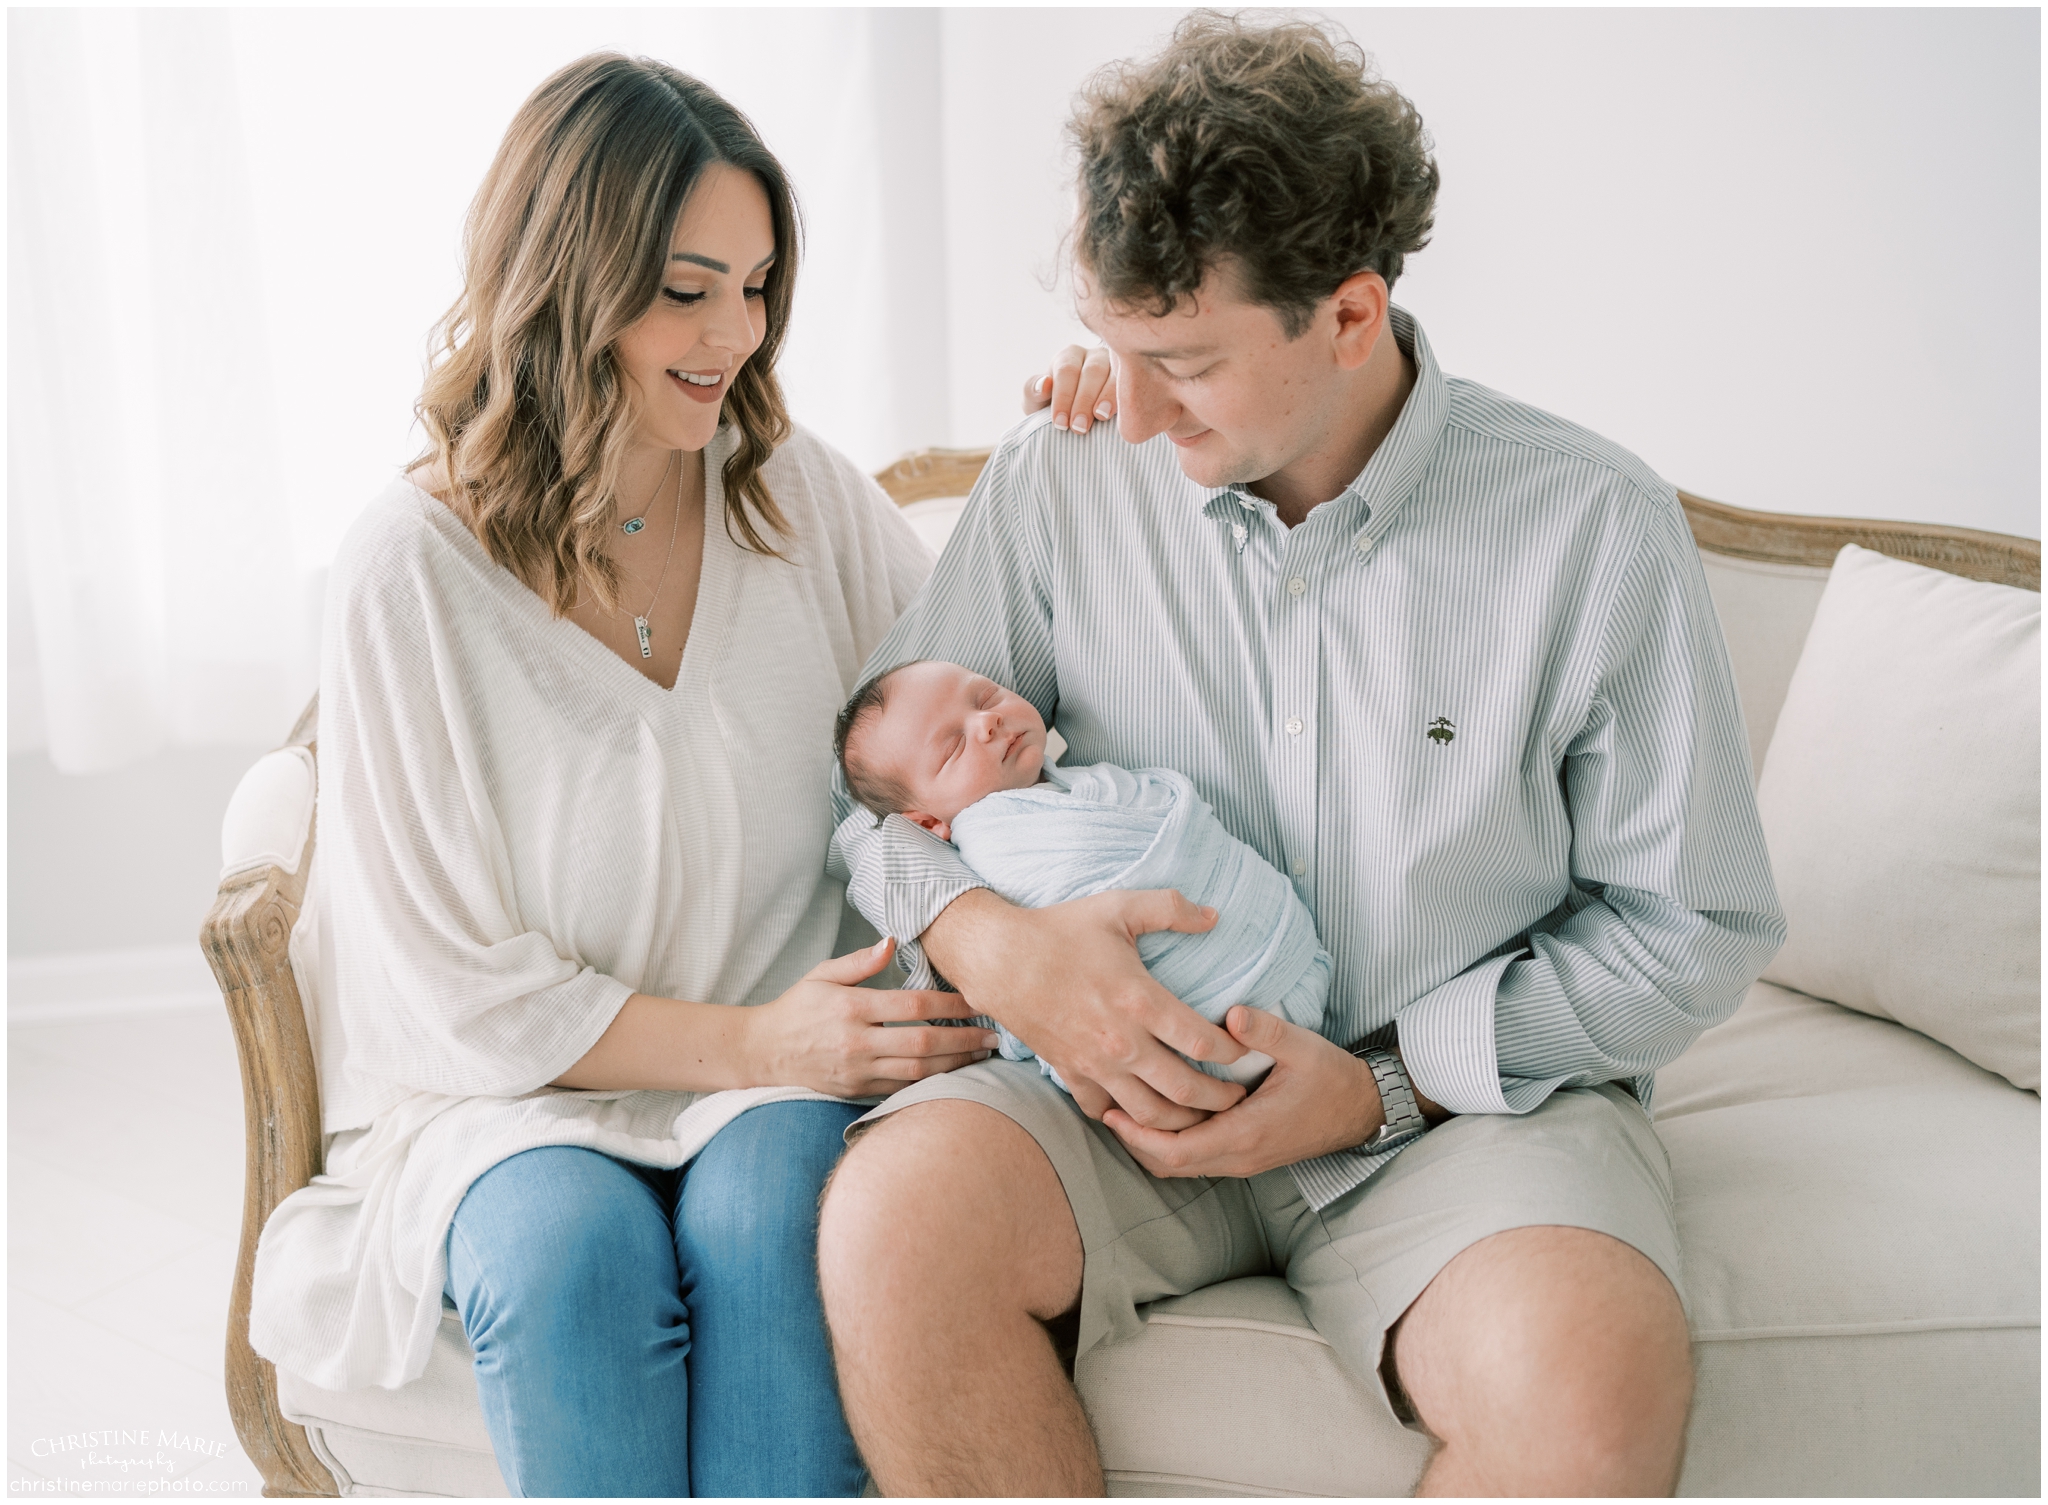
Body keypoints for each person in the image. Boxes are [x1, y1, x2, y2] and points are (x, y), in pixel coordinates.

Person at [816, 13, 1784, 1496]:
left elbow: (1690, 928)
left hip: (1457, 1123)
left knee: (1586, 1386)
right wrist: (992, 942)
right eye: (1107, 351)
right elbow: (877, 797)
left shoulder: (1593, 527)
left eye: (1183, 361)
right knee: (892, 1226)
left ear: (1347, 314)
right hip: (1102, 1093)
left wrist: (1386, 1086)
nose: (1129, 411)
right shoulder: (1065, 474)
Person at [244, 55, 1003, 1497]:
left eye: (759, 285)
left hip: (788, 1062)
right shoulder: (407, 570)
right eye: (687, 288)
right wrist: (759, 1046)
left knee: (776, 1231)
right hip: (505, 1093)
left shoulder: (794, 499)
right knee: (568, 1260)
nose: (736, 334)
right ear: (568, 281)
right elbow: (462, 1000)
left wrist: (1083, 453)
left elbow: (983, 701)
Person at [833, 657, 1332, 1087]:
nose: (986, 722)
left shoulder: (1083, 784)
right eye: (952, 748)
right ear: (926, 823)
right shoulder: (994, 850)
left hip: (1280, 964)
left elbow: (1188, 829)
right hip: (1200, 1030)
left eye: (986, 695)